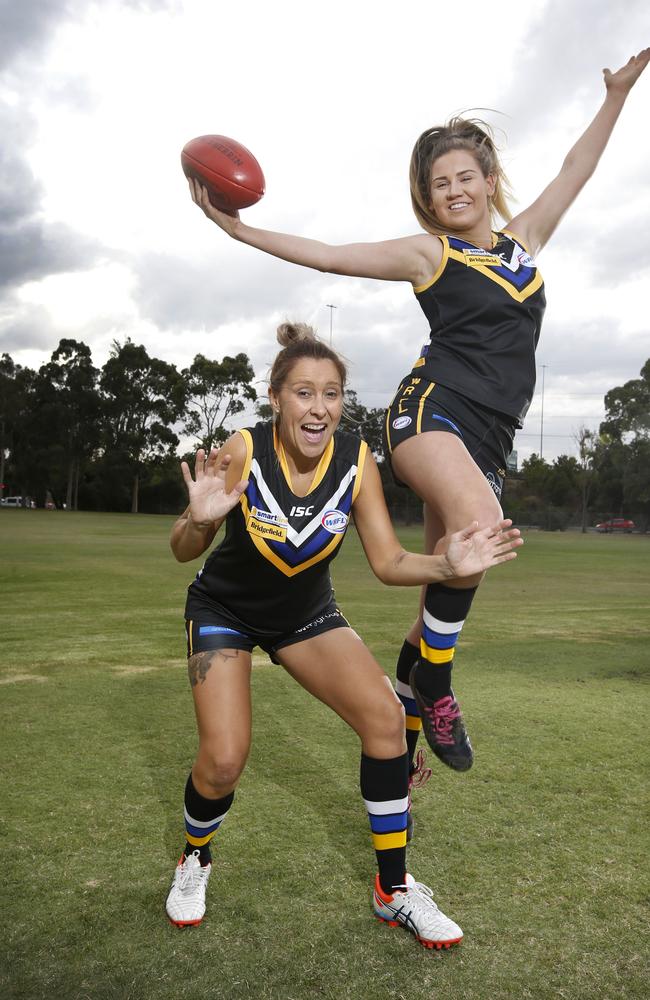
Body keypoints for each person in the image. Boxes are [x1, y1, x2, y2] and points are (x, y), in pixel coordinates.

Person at [188, 51, 649, 778]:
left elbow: (576, 170)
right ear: (430, 201)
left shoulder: (524, 245)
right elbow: (331, 258)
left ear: (488, 184)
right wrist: (239, 230)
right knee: (481, 527)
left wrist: (619, 95)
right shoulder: (428, 256)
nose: (455, 189)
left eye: (466, 176)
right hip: (430, 415)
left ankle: (408, 686)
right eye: (441, 184)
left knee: (455, 570)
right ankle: (433, 683)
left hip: (489, 436)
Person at [165, 322, 522, 947]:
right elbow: (181, 549)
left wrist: (446, 564)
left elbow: (387, 562)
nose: (319, 407)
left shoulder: (356, 459)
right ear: (277, 399)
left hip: (306, 617)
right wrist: (198, 521)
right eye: (304, 393)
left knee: (387, 723)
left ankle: (395, 890)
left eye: (331, 394)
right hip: (225, 609)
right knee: (223, 761)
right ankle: (195, 857)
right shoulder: (245, 449)